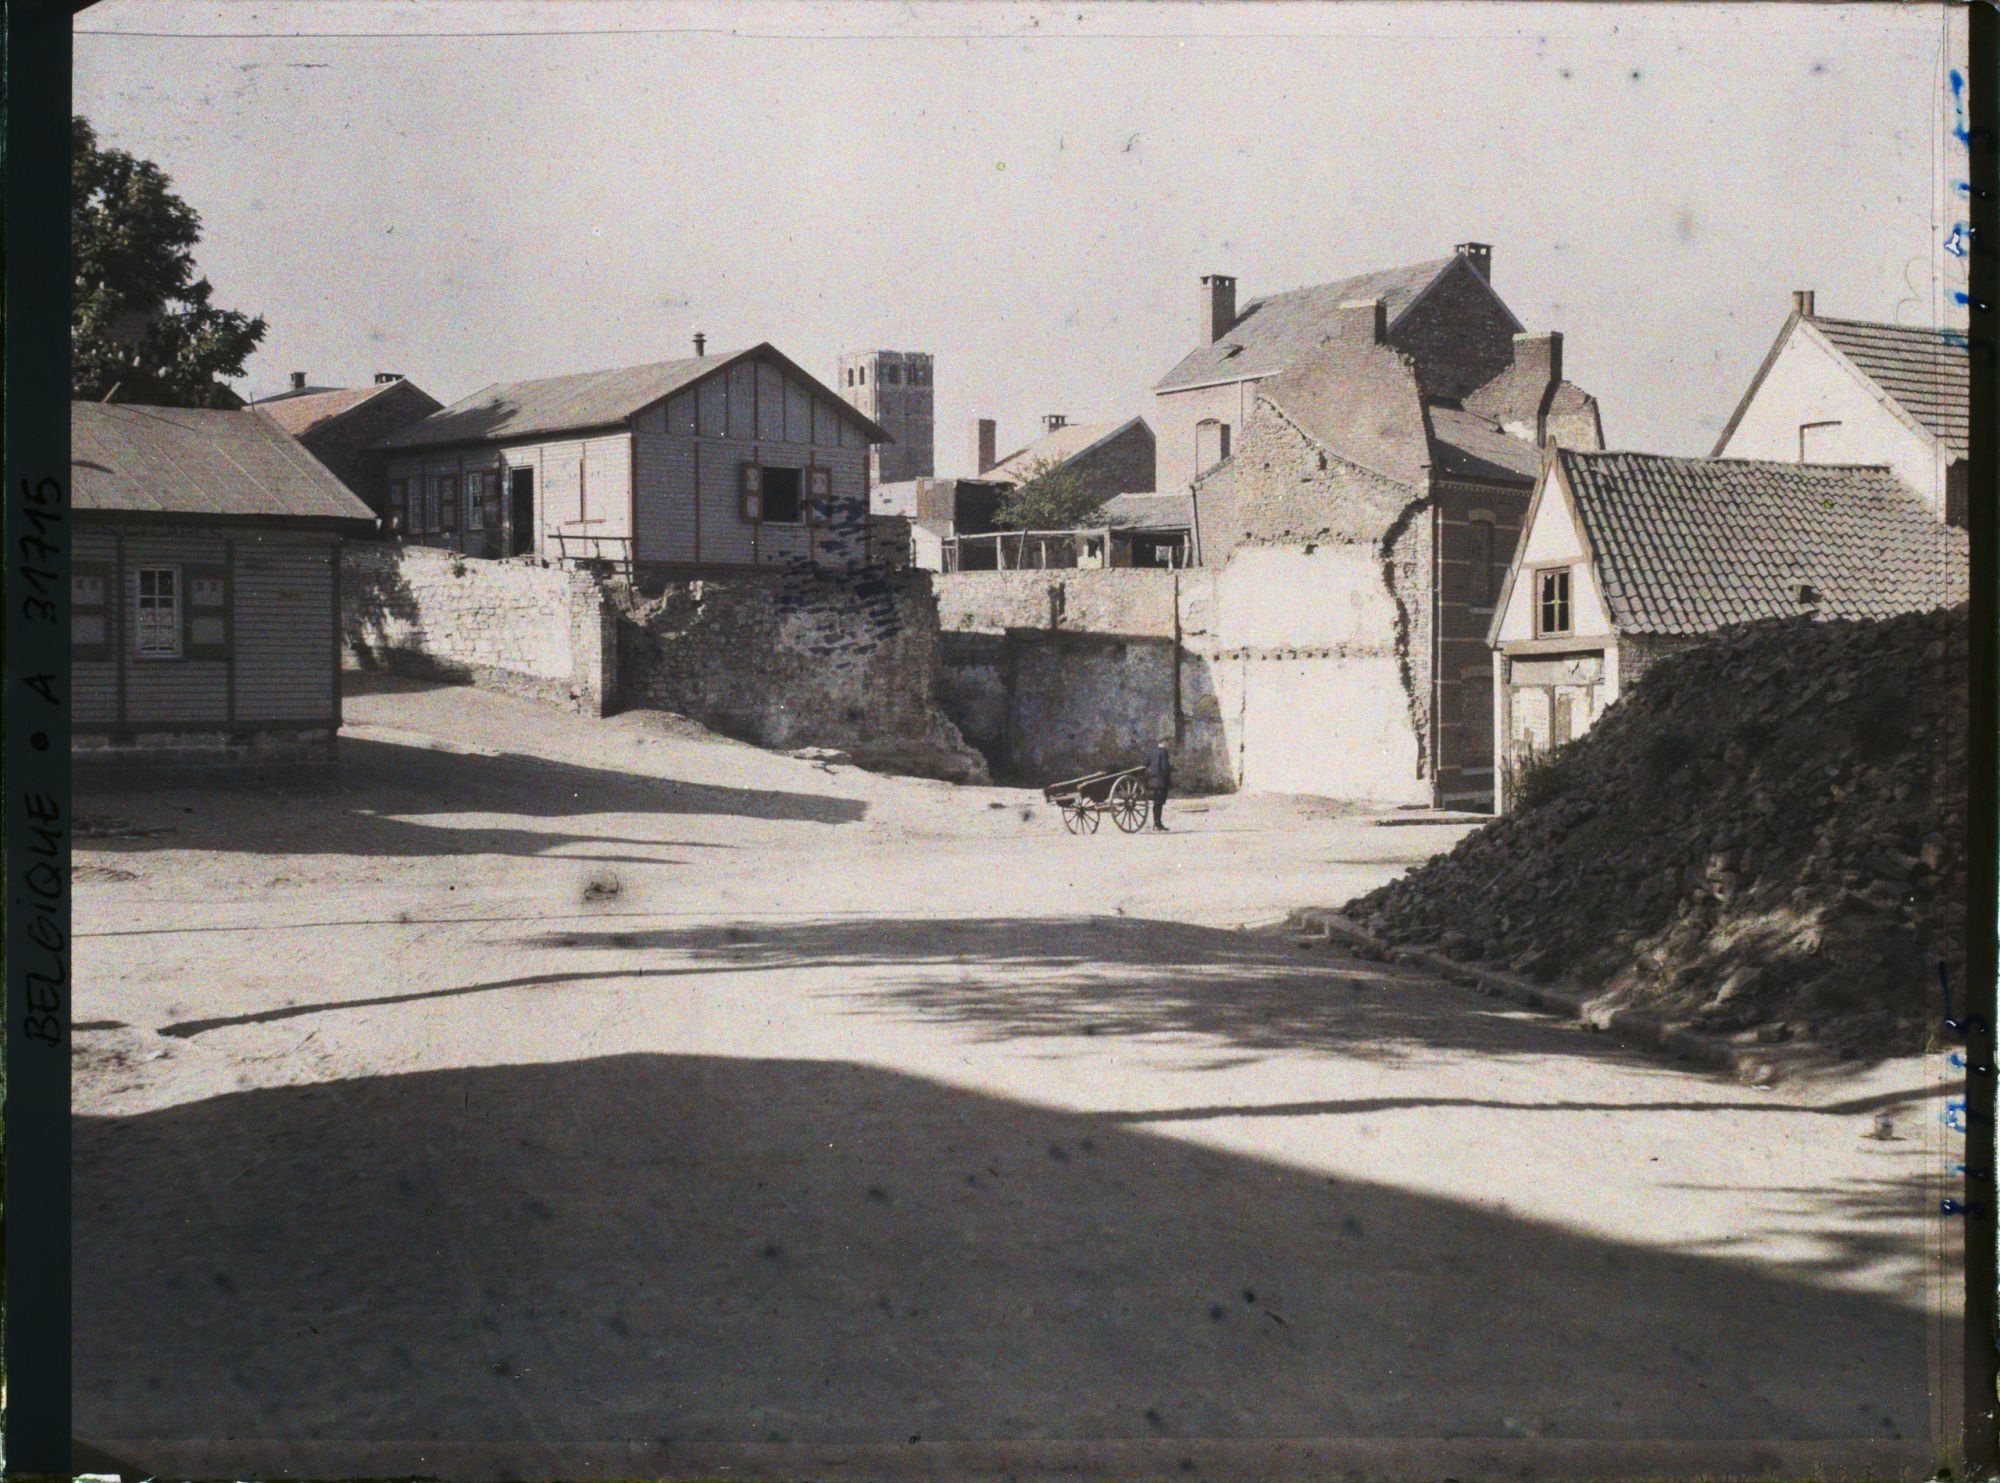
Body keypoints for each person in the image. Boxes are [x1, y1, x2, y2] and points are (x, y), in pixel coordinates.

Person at [1145, 738, 1173, 831]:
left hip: (1151, 781)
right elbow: (1164, 767)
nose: (1169, 744)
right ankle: (1157, 824)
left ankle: (1157, 823)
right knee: (1159, 804)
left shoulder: (1152, 751)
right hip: (1161, 782)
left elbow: (1146, 764)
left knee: (1156, 803)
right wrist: (1171, 768)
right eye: (1168, 742)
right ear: (1164, 742)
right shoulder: (1163, 753)